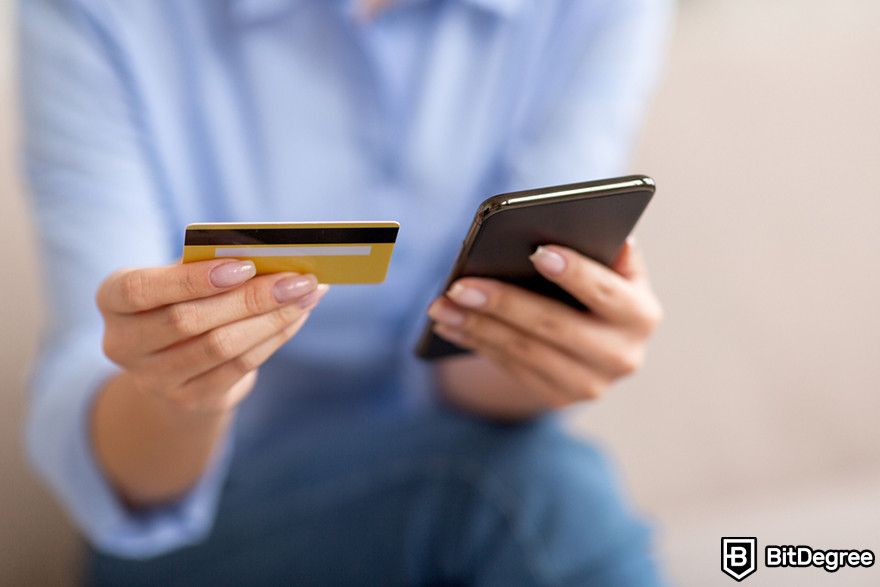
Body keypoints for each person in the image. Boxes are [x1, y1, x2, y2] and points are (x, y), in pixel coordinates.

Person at [21, 0, 672, 584]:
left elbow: (476, 365)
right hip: (202, 522)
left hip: (452, 472)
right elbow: (122, 471)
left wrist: (551, 352)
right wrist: (181, 389)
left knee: (528, 482)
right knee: (525, 490)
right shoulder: (97, 11)